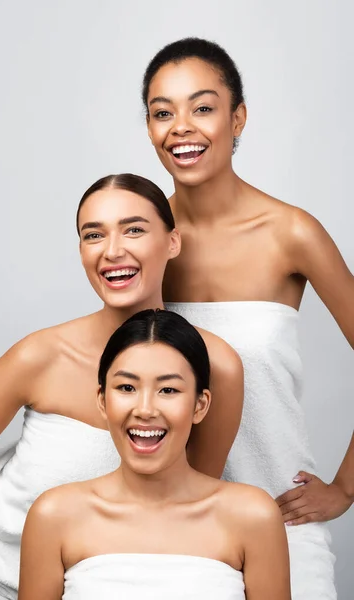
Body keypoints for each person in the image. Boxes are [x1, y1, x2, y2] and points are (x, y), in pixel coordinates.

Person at [0, 174, 243, 599]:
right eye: (94, 235)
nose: (113, 251)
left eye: (134, 229)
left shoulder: (215, 367)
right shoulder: (40, 356)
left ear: (173, 242)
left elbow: (182, 512)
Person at [142, 37, 354, 599]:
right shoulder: (143, 241)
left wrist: (347, 487)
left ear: (238, 118)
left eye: (203, 107)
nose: (181, 127)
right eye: (163, 112)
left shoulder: (291, 233)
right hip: (171, 527)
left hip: (281, 520)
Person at [19, 309, 290, 600]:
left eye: (168, 390)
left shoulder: (253, 517)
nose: (145, 410)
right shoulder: (54, 516)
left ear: (200, 405)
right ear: (102, 400)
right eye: (127, 387)